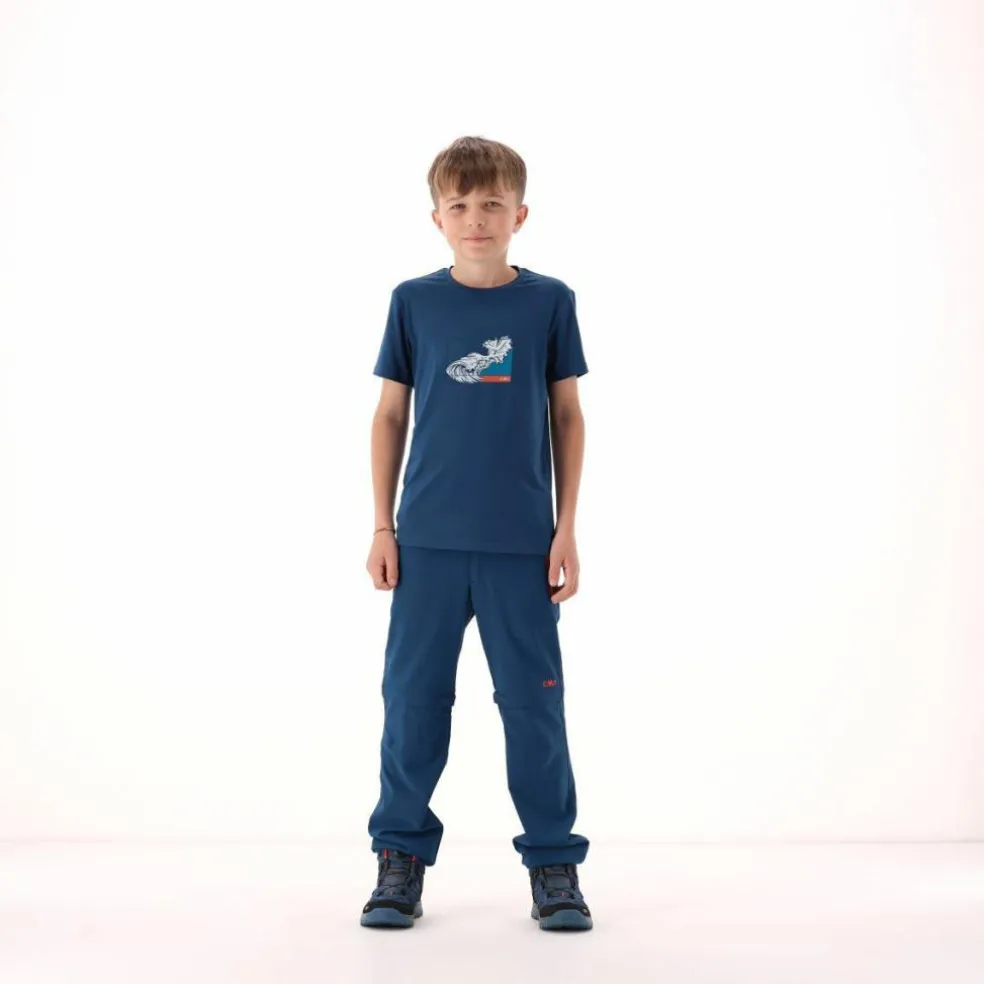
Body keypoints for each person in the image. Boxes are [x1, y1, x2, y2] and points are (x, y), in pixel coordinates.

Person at [360, 135, 592, 932]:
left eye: (492, 203)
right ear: (437, 218)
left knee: (534, 708)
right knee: (412, 704)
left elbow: (567, 414)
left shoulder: (549, 302)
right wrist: (382, 524)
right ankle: (399, 859)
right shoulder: (413, 302)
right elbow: (390, 415)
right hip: (425, 542)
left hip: (521, 544)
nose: (476, 218)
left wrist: (566, 527)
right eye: (459, 205)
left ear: (519, 214)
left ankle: (554, 863)